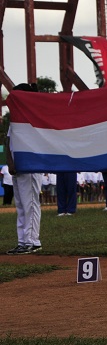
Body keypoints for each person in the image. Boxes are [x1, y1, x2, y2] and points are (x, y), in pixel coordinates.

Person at [5, 82, 44, 255]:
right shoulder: (16, 118)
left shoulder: (32, 116)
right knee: (21, 206)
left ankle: (33, 241)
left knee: (31, 205)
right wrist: (10, 163)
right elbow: (8, 142)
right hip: (17, 167)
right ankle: (22, 241)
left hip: (30, 167)